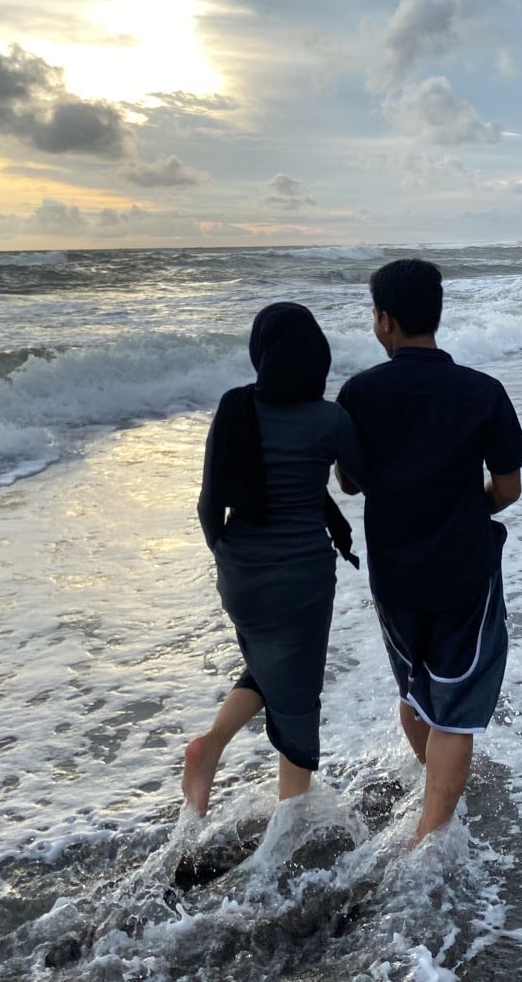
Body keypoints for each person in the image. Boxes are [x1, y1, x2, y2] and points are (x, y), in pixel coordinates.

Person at [336, 259, 522, 845]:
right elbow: (508, 489)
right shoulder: (481, 391)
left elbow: (349, 482)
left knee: (416, 693)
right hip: (463, 570)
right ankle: (429, 838)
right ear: (435, 315)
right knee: (456, 707)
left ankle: (434, 801)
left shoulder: (359, 393)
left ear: (384, 320)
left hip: (394, 575)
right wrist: (469, 505)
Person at [182, 301, 364, 815]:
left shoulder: (234, 406)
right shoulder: (329, 419)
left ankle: (209, 747)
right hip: (302, 577)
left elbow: (208, 503)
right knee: (299, 695)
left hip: (240, 572)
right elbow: (361, 481)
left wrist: (226, 555)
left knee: (268, 665)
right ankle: (291, 822)